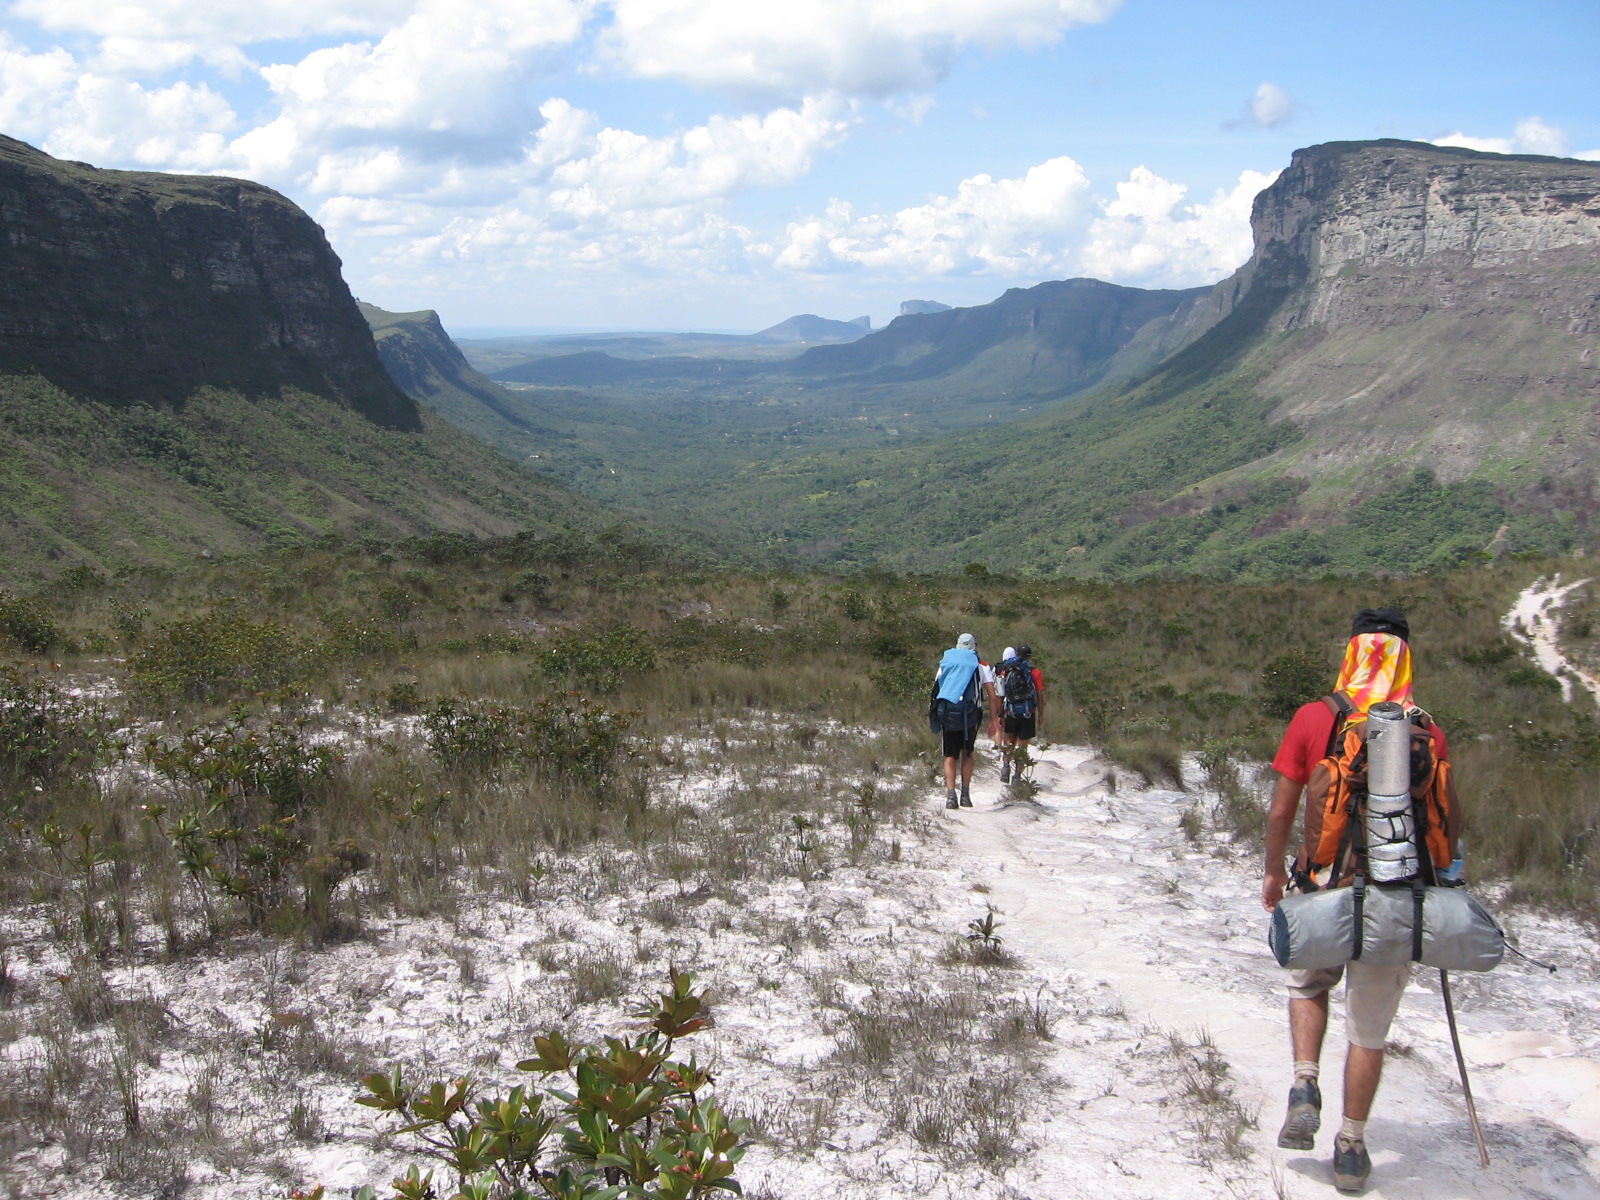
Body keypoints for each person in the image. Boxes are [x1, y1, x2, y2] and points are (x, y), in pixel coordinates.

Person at [1260, 608, 1460, 1193]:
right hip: (1398, 898)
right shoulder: (1428, 731)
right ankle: (1350, 1147)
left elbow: (1281, 810)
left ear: (1351, 651)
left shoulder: (1316, 717)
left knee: (1308, 986)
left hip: (1324, 884)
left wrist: (1275, 873)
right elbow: (1443, 823)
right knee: (1368, 1029)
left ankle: (1303, 1083)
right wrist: (1444, 887)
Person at [931, 633, 997, 809]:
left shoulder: (946, 663)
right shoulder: (982, 666)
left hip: (948, 714)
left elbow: (937, 690)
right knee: (967, 753)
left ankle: (951, 796)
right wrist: (994, 721)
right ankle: (965, 795)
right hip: (971, 715)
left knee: (950, 755)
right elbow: (992, 695)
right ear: (974, 646)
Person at [995, 644, 1044, 783]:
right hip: (1028, 712)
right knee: (1022, 745)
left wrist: (1000, 714)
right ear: (1030, 657)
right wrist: (1041, 714)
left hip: (1011, 711)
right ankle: (1017, 776)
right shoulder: (1036, 673)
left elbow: (1001, 694)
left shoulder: (1006, 670)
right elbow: (1040, 695)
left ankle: (1005, 767)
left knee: (1009, 741)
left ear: (1016, 655)